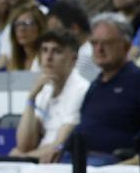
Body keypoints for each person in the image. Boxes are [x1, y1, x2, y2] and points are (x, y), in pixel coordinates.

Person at [80, 15, 140, 162]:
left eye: (106, 43)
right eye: (94, 43)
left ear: (126, 45)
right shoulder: (96, 84)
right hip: (79, 155)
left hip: (115, 159)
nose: (99, 49)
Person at [10, 30, 85, 165]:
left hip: (62, 162)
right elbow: (24, 144)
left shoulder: (80, 90)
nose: (48, 57)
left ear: (73, 59)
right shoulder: (45, 89)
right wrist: (31, 98)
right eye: (44, 50)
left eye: (57, 51)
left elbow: (58, 147)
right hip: (39, 159)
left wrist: (20, 157)